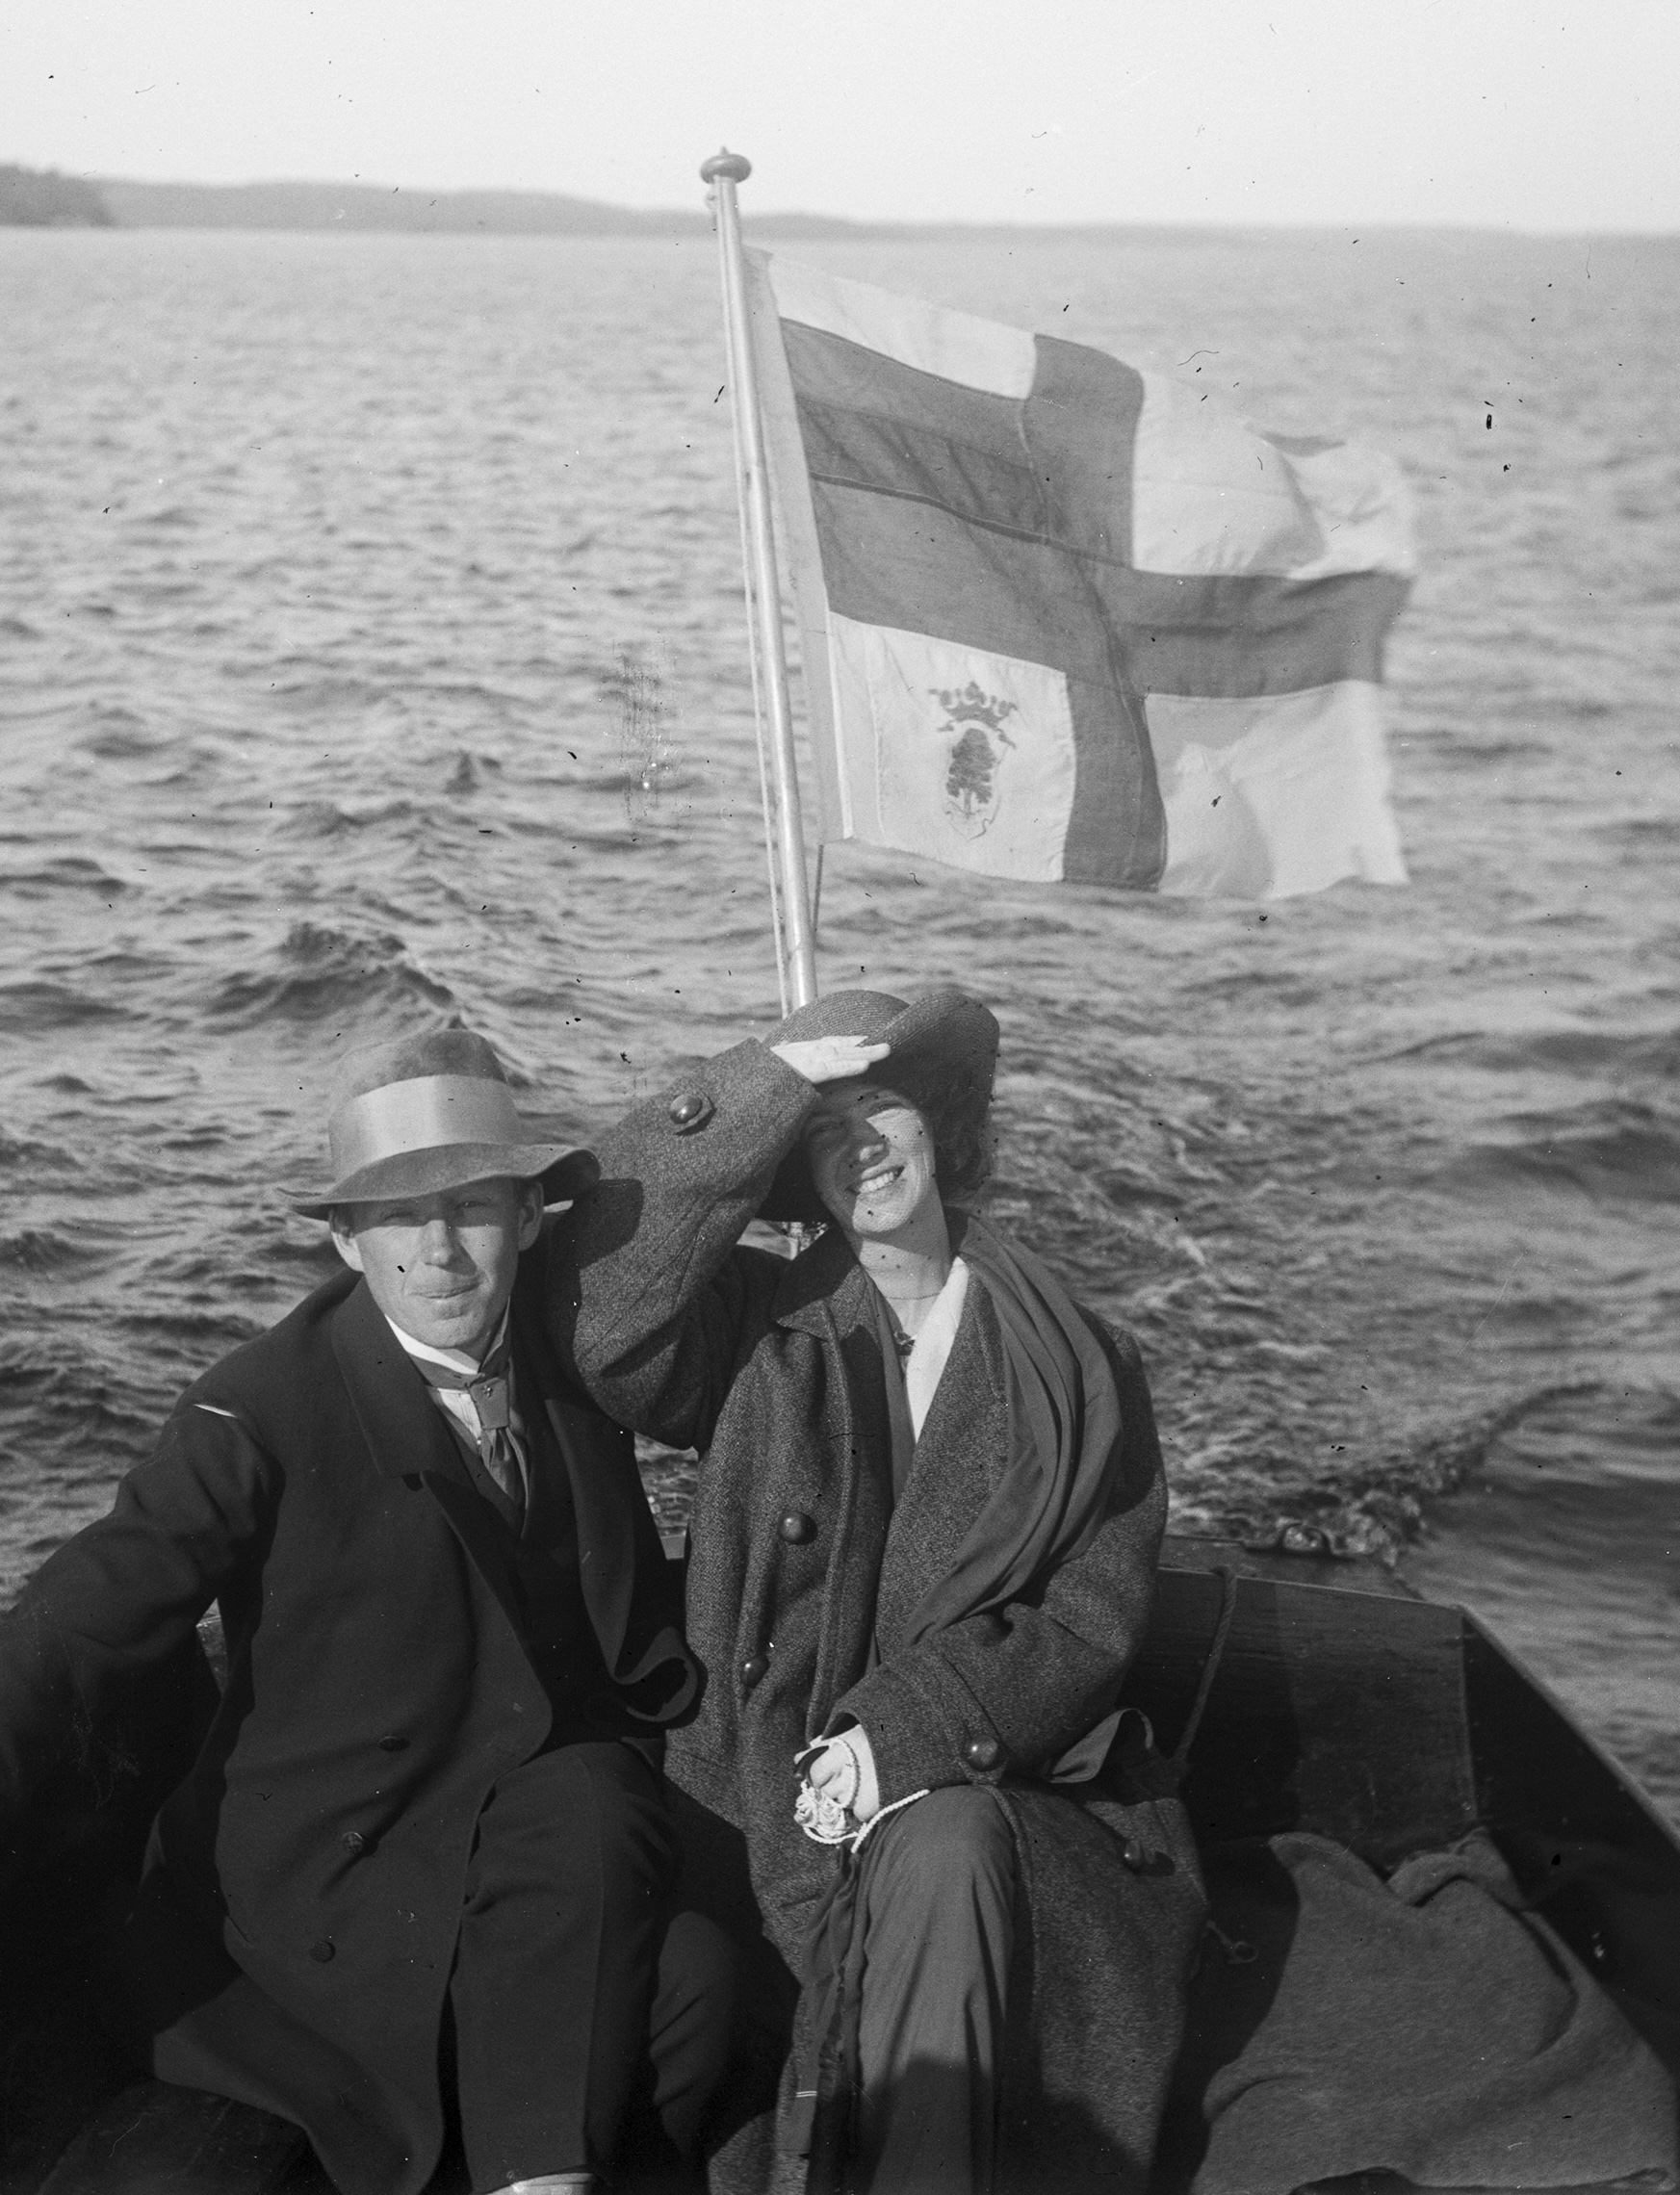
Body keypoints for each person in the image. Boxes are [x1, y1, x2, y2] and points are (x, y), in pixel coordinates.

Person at [0, 1028, 743, 2195]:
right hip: (321, 1897)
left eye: (473, 1207)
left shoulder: (579, 1360)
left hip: (527, 1858)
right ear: (347, 1240)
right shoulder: (257, 1405)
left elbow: (668, 1191)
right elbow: (90, 1611)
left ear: (532, 1219)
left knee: (707, 1985)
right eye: (398, 1217)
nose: (440, 1252)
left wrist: (785, 1078)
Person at [560, 989, 1207, 2195]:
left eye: (883, 1109)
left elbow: (1088, 1620)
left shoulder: (1081, 1361)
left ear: (941, 1125)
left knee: (945, 1849)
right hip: (751, 1802)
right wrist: (759, 1081)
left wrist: (898, 1732)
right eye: (823, 1128)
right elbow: (599, 1311)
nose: (860, 1147)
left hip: (992, 1783)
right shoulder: (758, 1333)